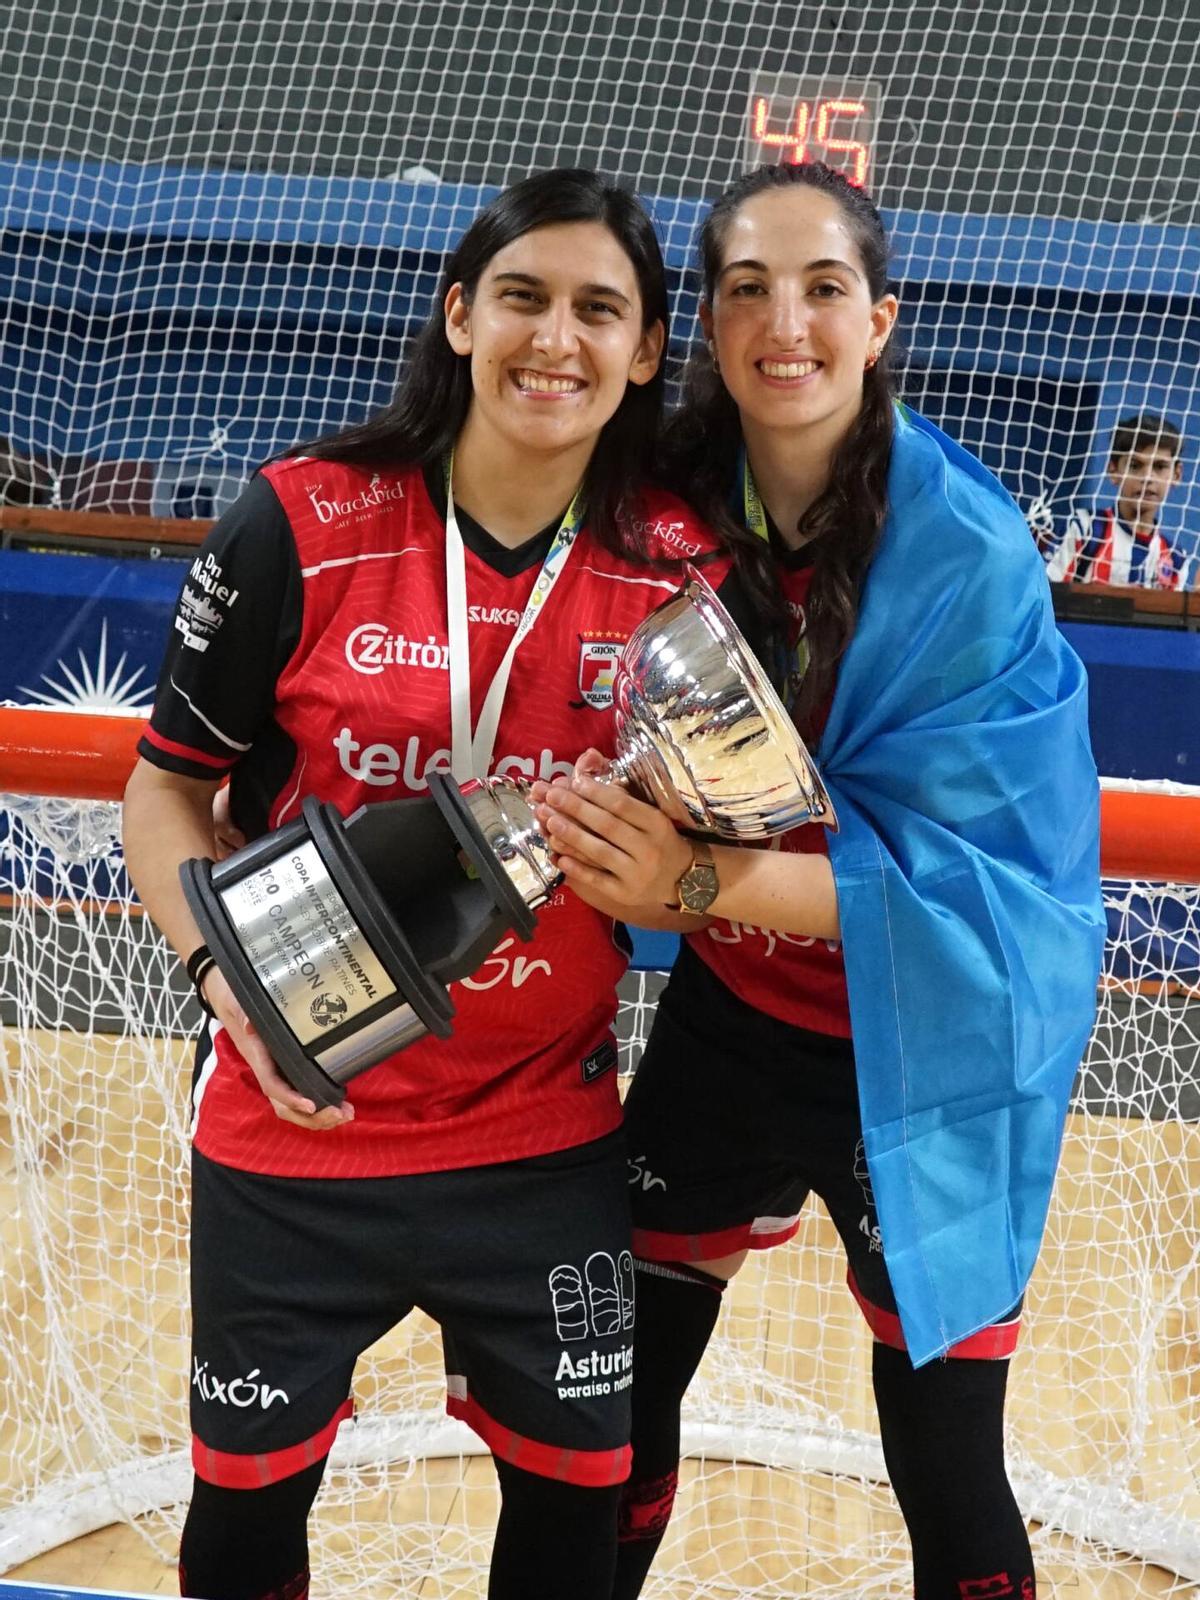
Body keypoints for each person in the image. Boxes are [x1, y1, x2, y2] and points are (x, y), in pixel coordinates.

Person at [122, 168, 746, 1600]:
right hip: (300, 1127)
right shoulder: (299, 521)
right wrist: (228, 982)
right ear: (461, 315)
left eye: (603, 310)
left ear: (649, 349)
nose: (557, 339)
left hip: (540, 1139)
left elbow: (726, 847)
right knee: (242, 1536)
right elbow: (165, 789)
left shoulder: (678, 571)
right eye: (523, 297)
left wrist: (680, 876)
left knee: (570, 1534)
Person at [531, 162, 1105, 1599]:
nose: (786, 320)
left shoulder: (966, 550)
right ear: (707, 330)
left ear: (882, 320)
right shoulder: (659, 496)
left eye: (824, 286)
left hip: (934, 1052)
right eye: (747, 289)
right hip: (735, 1022)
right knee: (617, 1410)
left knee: (945, 1455)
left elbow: (989, 892)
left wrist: (698, 880)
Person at [1042, 412, 1190, 588]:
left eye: (1159, 467)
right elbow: (1045, 596)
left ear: (1176, 474)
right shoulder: (1083, 529)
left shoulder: (1176, 558)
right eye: (1135, 466)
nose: (1148, 477)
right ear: (1113, 471)